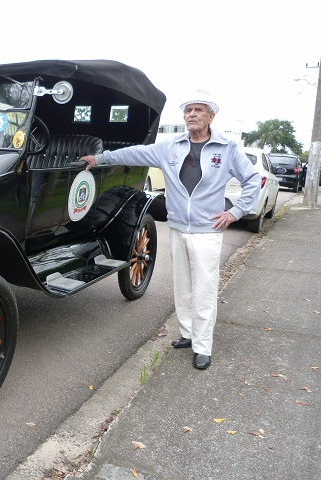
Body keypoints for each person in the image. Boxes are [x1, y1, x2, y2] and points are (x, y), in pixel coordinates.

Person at [81, 89, 260, 370]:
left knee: (204, 289)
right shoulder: (171, 146)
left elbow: (252, 179)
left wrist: (235, 212)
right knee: (183, 287)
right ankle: (188, 334)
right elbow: (136, 153)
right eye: (188, 111)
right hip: (178, 227)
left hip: (206, 231)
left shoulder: (227, 148)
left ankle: (203, 347)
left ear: (211, 116)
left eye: (198, 110)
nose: (192, 115)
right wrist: (100, 159)